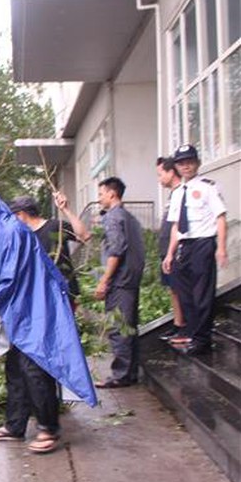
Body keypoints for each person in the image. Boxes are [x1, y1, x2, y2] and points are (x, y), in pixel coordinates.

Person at [0, 188, 97, 455]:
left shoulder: (11, 233)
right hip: (23, 308)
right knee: (15, 367)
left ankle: (48, 429)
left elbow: (9, 279)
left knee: (35, 367)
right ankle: (15, 426)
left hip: (36, 308)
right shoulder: (0, 234)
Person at [161, 144, 228, 355]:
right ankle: (192, 332)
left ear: (197, 163)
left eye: (190, 161)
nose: (186, 166)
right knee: (185, 293)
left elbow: (220, 217)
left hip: (203, 244)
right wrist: (170, 253)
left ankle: (202, 339)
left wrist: (222, 248)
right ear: (176, 167)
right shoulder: (178, 193)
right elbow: (175, 226)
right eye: (181, 163)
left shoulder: (207, 187)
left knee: (202, 293)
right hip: (184, 246)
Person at [94, 177, 145, 388]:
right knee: (129, 327)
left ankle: (120, 375)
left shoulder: (113, 218)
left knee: (119, 328)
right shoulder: (129, 217)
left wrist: (104, 281)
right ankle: (129, 372)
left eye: (100, 194)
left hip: (120, 281)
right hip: (131, 280)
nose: (99, 199)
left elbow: (116, 251)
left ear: (112, 194)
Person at [8, 192, 91, 306]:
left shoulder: (55, 226)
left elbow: (84, 236)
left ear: (21, 214)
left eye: (14, 216)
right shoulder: (24, 237)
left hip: (63, 291)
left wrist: (65, 210)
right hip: (40, 293)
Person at [155, 156, 185, 340]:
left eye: (160, 174)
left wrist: (172, 252)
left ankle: (186, 327)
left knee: (180, 288)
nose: (159, 179)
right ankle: (178, 323)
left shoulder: (182, 192)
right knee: (173, 289)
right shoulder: (173, 194)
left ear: (171, 172)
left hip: (175, 252)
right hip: (167, 252)